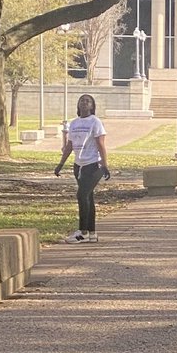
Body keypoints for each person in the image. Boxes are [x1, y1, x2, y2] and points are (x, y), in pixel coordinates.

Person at [54, 93, 110, 242]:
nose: (84, 103)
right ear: (78, 105)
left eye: (88, 101)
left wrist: (105, 165)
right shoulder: (74, 123)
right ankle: (92, 233)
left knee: (81, 195)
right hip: (79, 165)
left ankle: (82, 232)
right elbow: (69, 146)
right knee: (88, 197)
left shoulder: (95, 122)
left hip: (93, 165)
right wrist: (60, 164)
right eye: (82, 101)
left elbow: (101, 144)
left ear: (92, 106)